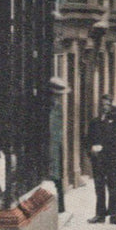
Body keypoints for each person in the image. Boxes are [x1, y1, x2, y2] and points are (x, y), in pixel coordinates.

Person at [86, 94, 116, 225]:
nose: (105, 107)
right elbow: (88, 140)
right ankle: (100, 215)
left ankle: (114, 216)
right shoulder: (95, 122)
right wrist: (91, 150)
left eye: (108, 105)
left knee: (113, 187)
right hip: (98, 160)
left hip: (113, 158)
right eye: (103, 105)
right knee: (99, 187)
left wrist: (115, 107)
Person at [48, 77, 69, 213]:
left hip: (56, 147)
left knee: (57, 176)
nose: (59, 98)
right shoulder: (48, 108)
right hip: (50, 148)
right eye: (57, 95)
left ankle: (60, 207)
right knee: (53, 176)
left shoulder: (58, 107)